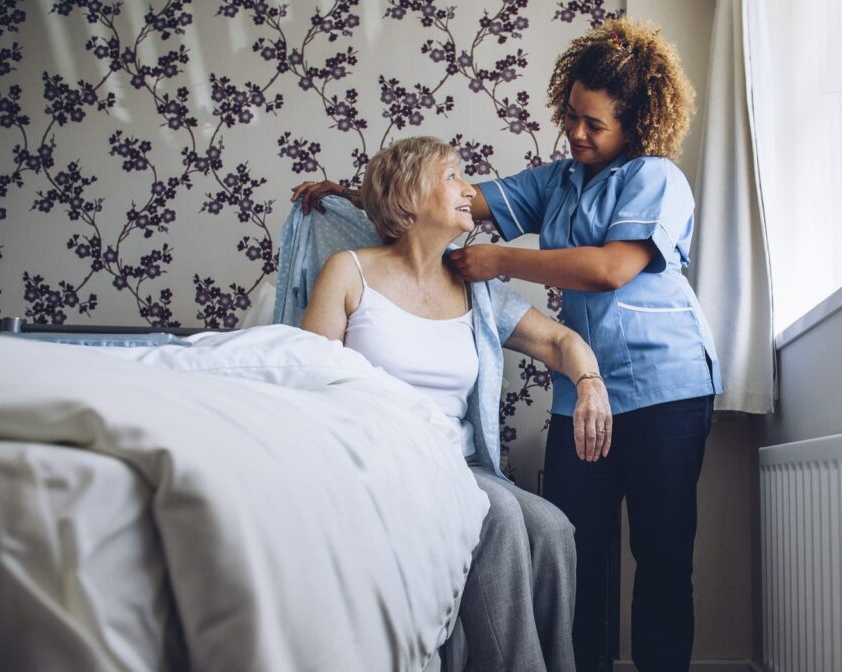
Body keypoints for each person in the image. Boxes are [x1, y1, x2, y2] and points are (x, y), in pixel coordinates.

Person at [293, 16, 722, 672]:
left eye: (595, 124)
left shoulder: (657, 179)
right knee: (574, 545)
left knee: (662, 555)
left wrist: (503, 262)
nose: (577, 132)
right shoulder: (557, 181)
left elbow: (611, 268)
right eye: (572, 116)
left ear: (635, 125)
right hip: (579, 394)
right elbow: (441, 198)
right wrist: (352, 193)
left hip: (666, 385)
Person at [295, 136, 612, 672]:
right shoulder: (348, 272)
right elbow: (309, 380)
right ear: (408, 193)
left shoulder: (476, 291)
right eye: (453, 177)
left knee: (555, 528)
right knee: (503, 513)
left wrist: (590, 381)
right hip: (382, 462)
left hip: (456, 465)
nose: (470, 190)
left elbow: (561, 342)